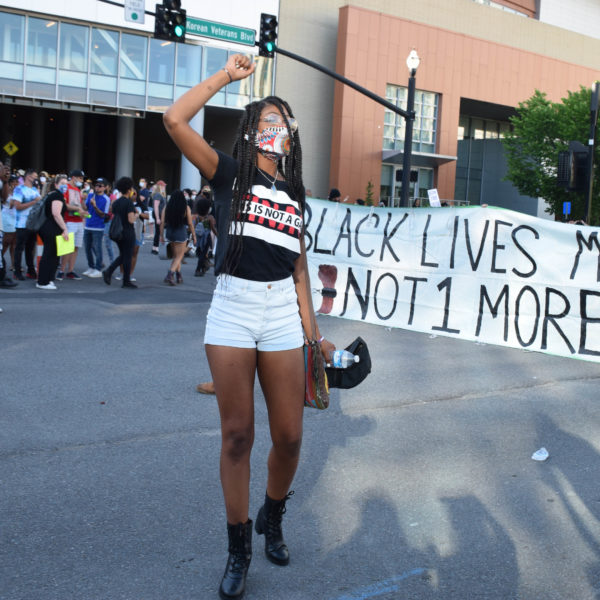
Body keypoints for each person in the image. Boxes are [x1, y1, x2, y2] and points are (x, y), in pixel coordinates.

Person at [163, 53, 335, 600]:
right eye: (265, 120)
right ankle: (238, 551)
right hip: (234, 308)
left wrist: (313, 337)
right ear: (252, 130)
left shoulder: (296, 195)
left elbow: (300, 269)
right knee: (238, 435)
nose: (273, 128)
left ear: (291, 134)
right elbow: (173, 121)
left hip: (283, 310)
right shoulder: (230, 173)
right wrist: (227, 79)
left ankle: (272, 516)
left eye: (281, 121)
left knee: (289, 435)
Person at [102, 177, 138, 289]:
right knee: (127, 256)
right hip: (127, 231)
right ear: (128, 190)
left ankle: (111, 272)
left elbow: (112, 213)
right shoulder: (129, 203)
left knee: (124, 255)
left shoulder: (116, 202)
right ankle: (124, 280)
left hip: (118, 232)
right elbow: (131, 219)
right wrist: (137, 214)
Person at [37, 175, 69, 290]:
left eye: (66, 183)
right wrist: (65, 228)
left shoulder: (54, 195)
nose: (65, 185)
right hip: (51, 228)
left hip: (49, 228)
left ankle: (48, 279)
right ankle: (43, 281)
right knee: (49, 255)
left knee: (53, 255)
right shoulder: (57, 196)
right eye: (62, 183)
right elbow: (56, 213)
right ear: (56, 185)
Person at [159, 189, 196, 285]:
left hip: (169, 233)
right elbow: (190, 223)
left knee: (175, 256)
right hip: (180, 233)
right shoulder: (186, 208)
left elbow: (162, 222)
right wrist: (194, 236)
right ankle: (170, 274)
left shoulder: (167, 207)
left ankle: (179, 275)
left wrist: (161, 235)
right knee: (179, 256)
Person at [12, 168, 41, 280]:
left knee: (30, 248)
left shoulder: (35, 189)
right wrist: (34, 201)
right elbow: (18, 206)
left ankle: (30, 270)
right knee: (19, 248)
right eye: (34, 177)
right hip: (22, 224)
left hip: (33, 224)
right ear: (28, 177)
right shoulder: (19, 189)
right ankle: (17, 271)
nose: (36, 179)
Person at [59, 169, 88, 281]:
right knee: (66, 247)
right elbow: (64, 204)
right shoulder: (65, 187)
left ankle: (70, 270)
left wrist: (84, 208)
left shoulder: (77, 189)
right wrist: (78, 208)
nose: (81, 180)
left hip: (79, 221)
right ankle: (61, 270)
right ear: (74, 177)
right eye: (80, 178)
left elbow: (81, 205)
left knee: (75, 247)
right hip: (68, 220)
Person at [83, 177, 111, 277]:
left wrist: (95, 206)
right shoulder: (91, 195)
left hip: (98, 227)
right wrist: (83, 200)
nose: (97, 187)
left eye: (100, 186)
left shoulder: (106, 199)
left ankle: (98, 269)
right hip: (88, 225)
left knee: (97, 248)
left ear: (105, 188)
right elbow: (85, 208)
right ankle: (91, 266)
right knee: (87, 248)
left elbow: (103, 215)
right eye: (96, 185)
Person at [193, 187, 217, 276]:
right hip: (206, 238)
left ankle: (203, 267)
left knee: (199, 253)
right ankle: (198, 269)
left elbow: (194, 226)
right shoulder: (209, 218)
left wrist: (193, 236)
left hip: (198, 237)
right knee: (203, 254)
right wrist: (218, 235)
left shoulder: (197, 217)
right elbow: (212, 229)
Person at [150, 180, 167, 254]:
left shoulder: (160, 195)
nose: (164, 187)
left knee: (158, 231)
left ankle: (155, 247)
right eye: (163, 186)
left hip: (160, 215)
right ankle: (155, 248)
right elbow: (156, 207)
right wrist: (157, 218)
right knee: (158, 231)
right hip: (159, 215)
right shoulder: (158, 195)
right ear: (160, 186)